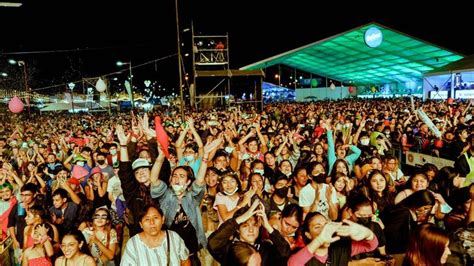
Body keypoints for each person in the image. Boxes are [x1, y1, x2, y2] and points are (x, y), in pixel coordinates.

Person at [208, 200, 291, 265]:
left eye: (255, 225)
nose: (251, 230)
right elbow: (213, 243)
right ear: (237, 229)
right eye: (245, 226)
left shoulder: (265, 248)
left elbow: (284, 252)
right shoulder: (229, 249)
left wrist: (268, 226)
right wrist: (240, 219)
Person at [287, 212, 378, 266]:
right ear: (308, 235)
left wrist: (367, 233)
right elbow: (293, 264)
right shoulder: (302, 254)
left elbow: (371, 246)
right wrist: (319, 240)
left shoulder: (341, 248)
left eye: (326, 225)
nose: (324, 230)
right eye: (317, 227)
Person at [121, 204, 190, 265]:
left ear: (162, 219)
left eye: (155, 217)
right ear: (141, 224)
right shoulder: (133, 245)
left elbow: (185, 262)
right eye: (147, 219)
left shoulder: (174, 237)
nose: (152, 222)